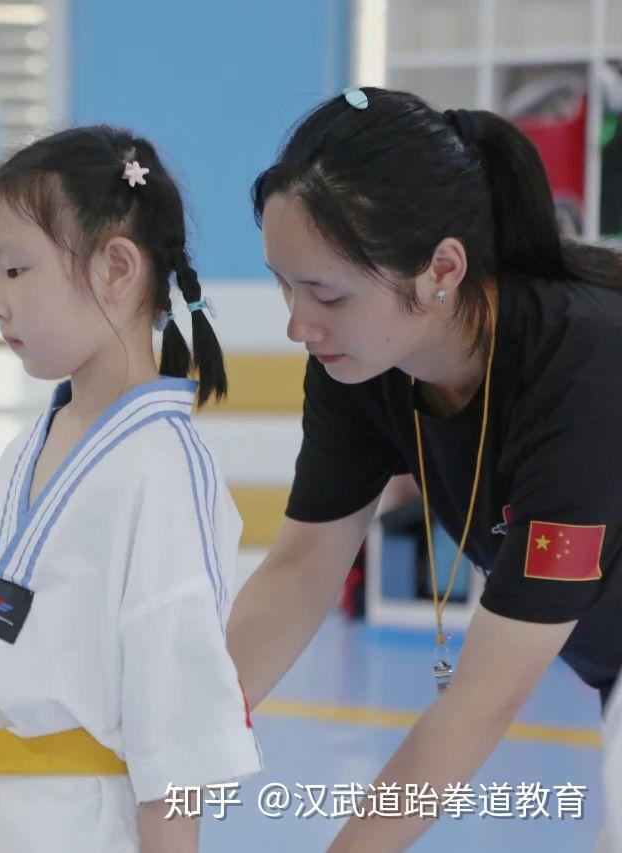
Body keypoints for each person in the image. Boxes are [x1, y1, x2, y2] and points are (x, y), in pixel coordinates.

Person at [230, 86, 622, 850]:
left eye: (326, 292)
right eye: (284, 284)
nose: (296, 324)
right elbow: (303, 565)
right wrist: (177, 734)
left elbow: (482, 698)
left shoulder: (584, 373)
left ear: (442, 267)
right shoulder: (364, 363)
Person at [0, 125, 261, 853]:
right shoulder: (26, 445)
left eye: (16, 270)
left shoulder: (164, 469)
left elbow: (175, 730)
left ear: (116, 268)